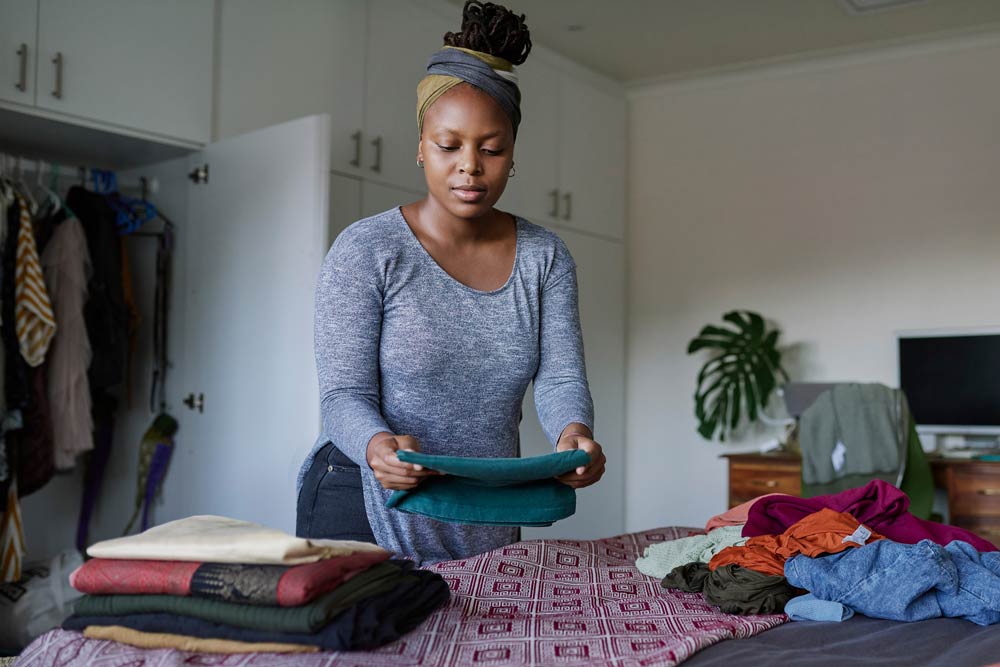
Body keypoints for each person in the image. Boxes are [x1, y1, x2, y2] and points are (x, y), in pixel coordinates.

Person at [296, 0, 605, 565]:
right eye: (449, 146)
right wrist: (376, 447)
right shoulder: (369, 249)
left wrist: (573, 433)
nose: (470, 166)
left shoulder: (544, 257)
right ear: (420, 148)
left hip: (486, 502)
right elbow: (344, 394)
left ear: (512, 156)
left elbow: (560, 376)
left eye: (491, 149)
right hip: (366, 493)